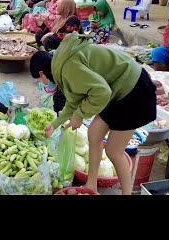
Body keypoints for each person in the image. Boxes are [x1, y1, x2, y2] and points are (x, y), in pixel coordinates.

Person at [29, 33, 157, 195]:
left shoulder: (68, 67)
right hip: (116, 88)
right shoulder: (61, 64)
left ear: (42, 74)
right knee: (94, 132)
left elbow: (101, 92)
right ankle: (91, 185)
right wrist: (55, 124)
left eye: (39, 79)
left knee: (113, 151)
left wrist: (80, 114)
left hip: (133, 90)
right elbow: (74, 99)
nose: (41, 83)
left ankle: (127, 193)